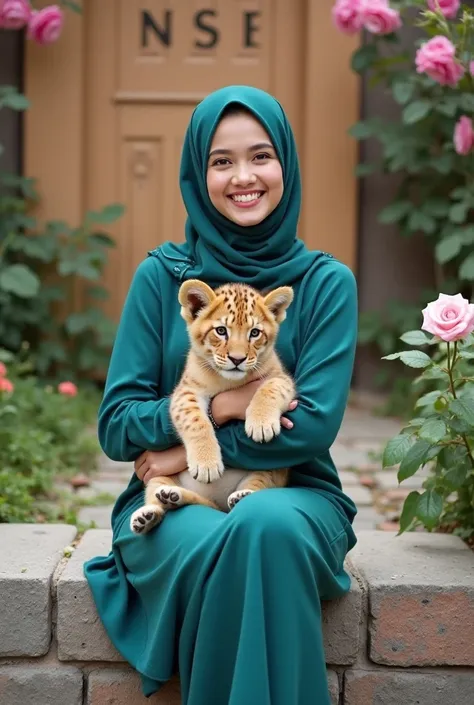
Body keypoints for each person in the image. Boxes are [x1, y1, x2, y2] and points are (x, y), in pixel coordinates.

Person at [84, 85, 358, 705]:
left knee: (265, 524)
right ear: (196, 173)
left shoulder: (324, 284)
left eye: (261, 156)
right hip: (172, 507)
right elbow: (117, 427)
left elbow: (309, 430)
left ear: (285, 163)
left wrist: (182, 454)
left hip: (295, 492)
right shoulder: (163, 278)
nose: (244, 177)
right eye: (221, 161)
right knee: (228, 545)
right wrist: (217, 405)